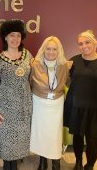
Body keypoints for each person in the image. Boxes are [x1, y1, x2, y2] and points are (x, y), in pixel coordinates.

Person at [64, 30, 97, 170]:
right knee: (77, 139)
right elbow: (68, 83)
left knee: (93, 143)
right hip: (76, 109)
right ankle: (78, 163)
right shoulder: (74, 61)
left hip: (96, 112)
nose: (84, 46)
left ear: (95, 42)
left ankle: (90, 166)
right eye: (80, 43)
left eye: (87, 42)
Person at [0, 19, 32, 170]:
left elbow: (35, 77)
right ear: (5, 37)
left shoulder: (28, 55)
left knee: (20, 143)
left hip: (23, 108)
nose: (15, 39)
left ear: (22, 38)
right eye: (11, 35)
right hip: (5, 109)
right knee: (6, 144)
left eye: (18, 36)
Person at [30, 36, 71, 170]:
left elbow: (70, 82)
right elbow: (29, 83)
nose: (51, 52)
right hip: (39, 103)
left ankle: (55, 163)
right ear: (43, 49)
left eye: (54, 49)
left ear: (59, 50)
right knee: (41, 133)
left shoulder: (65, 65)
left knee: (54, 134)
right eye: (48, 48)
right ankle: (42, 162)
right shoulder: (35, 64)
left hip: (56, 104)